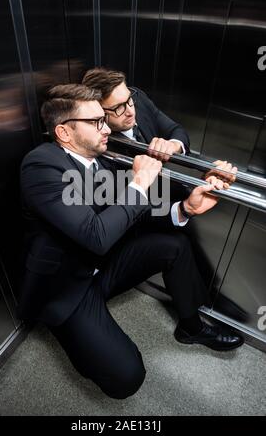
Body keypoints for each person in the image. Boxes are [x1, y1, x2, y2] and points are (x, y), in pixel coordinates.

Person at [18, 83, 243, 400]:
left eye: (103, 119)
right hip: (68, 287)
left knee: (173, 245)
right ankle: (76, 334)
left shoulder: (100, 157)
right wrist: (138, 184)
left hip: (103, 265)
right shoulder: (41, 167)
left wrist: (184, 209)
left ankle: (191, 327)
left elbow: (135, 213)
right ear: (64, 133)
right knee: (126, 379)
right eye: (95, 122)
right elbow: (96, 235)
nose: (105, 127)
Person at [82, 67, 189, 161]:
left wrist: (173, 145)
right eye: (118, 108)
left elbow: (175, 129)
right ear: (98, 111)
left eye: (129, 99)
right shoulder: (96, 144)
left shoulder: (138, 98)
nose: (130, 112)